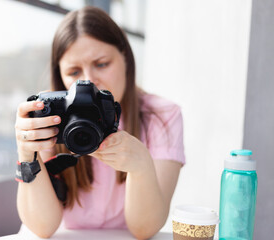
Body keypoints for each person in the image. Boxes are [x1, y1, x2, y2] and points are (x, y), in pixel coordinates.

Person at [15, 6, 185, 239]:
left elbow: (144, 230)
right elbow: (43, 228)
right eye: (74, 71)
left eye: (102, 64)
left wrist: (141, 166)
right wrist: (27, 155)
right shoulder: (50, 116)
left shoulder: (163, 116)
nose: (89, 81)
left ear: (126, 58)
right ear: (60, 75)